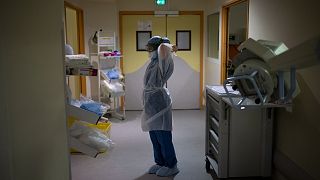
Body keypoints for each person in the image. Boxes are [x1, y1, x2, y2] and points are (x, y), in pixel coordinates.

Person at [141, 36, 179, 177]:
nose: (148, 51)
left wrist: (168, 46)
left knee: (163, 135)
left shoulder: (165, 60)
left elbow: (164, 48)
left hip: (159, 102)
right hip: (151, 101)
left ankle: (171, 164)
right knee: (154, 134)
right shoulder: (153, 61)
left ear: (158, 48)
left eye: (151, 49)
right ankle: (160, 162)